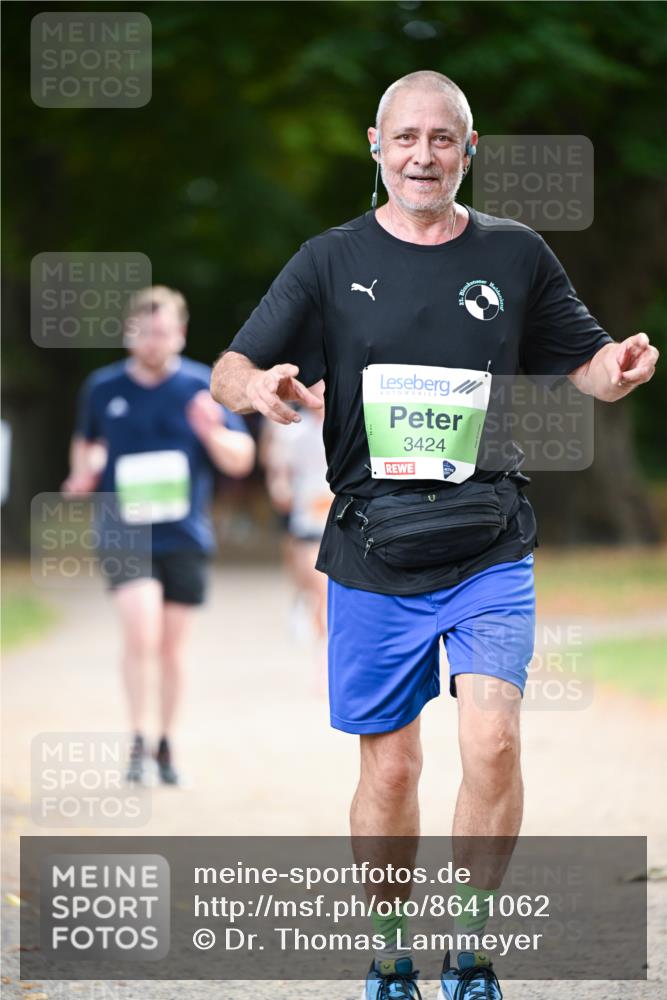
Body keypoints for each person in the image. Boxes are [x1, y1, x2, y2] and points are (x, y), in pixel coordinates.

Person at [210, 71, 659, 999]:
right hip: (372, 545)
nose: (423, 156)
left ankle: (471, 952)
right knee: (392, 765)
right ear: (376, 147)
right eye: (406, 138)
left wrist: (613, 370)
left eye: (441, 139)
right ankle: (388, 956)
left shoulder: (515, 252)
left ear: (468, 149)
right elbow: (229, 366)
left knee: (492, 740)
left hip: (488, 534)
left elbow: (583, 361)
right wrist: (253, 386)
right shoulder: (328, 259)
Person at [63, 286, 255, 786]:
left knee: (171, 648)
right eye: (145, 332)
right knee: (141, 633)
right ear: (130, 334)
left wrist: (211, 431)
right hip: (123, 530)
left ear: (180, 334)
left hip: (184, 534)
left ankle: (166, 745)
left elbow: (241, 459)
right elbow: (87, 445)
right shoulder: (103, 387)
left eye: (163, 332)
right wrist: (84, 473)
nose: (153, 342)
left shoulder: (200, 386)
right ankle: (136, 741)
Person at [259, 381, 330, 646]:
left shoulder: (349, 427)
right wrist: (280, 489)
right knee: (318, 583)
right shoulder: (293, 431)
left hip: (340, 518)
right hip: (307, 518)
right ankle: (309, 610)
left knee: (329, 590)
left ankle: (323, 639)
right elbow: (278, 470)